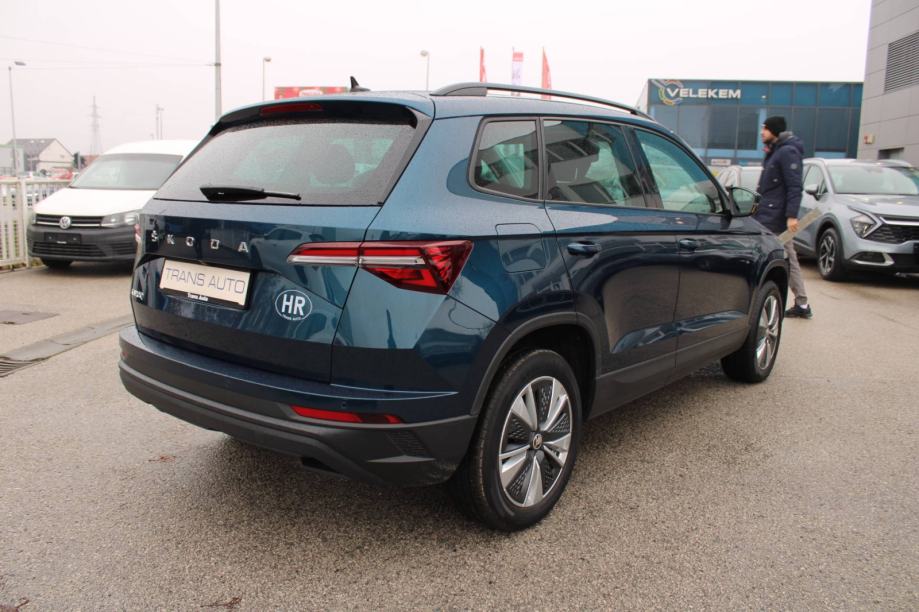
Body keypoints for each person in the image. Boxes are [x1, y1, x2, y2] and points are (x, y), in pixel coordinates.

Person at [755, 116, 812, 319]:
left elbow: (794, 186)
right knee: (787, 257)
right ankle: (802, 303)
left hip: (777, 218)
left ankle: (802, 303)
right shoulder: (776, 150)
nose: (762, 132)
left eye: (765, 128)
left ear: (774, 130)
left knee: (787, 257)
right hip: (767, 214)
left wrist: (791, 216)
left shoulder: (787, 152)